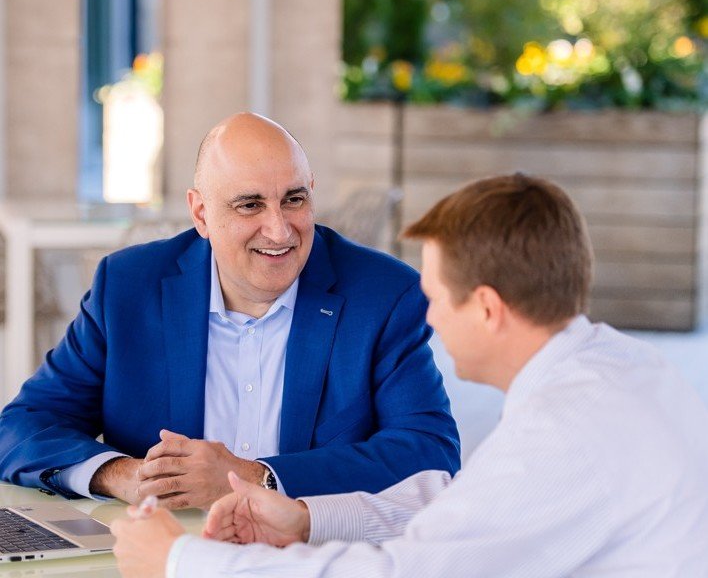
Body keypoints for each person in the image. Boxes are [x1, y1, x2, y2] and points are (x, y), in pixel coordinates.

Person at [111, 174, 708, 578]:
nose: (427, 318)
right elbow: (465, 510)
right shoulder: (618, 372)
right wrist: (305, 517)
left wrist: (178, 562)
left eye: (435, 297)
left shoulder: (567, 431)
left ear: (487, 309)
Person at [0, 113, 460, 509]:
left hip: (312, 564)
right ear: (200, 214)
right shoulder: (128, 287)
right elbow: (20, 427)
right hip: (161, 559)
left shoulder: (383, 295)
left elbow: (430, 453)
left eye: (294, 199)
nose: (279, 231)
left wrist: (254, 476)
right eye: (250, 205)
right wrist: (122, 475)